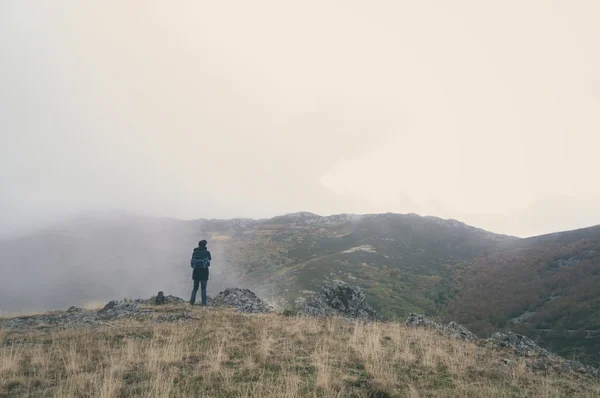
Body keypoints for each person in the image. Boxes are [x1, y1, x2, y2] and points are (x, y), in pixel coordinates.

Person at [190, 239, 211, 305]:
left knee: (195, 288)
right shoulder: (207, 252)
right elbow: (209, 260)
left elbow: (191, 263)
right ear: (205, 245)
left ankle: (191, 302)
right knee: (203, 288)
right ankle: (203, 304)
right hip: (204, 273)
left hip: (196, 272)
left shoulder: (194, 252)